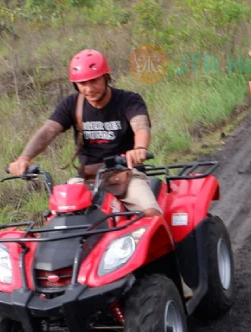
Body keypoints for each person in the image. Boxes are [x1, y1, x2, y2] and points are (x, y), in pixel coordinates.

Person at [8, 49, 162, 218]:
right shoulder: (71, 104)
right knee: (58, 217)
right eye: (82, 83)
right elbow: (48, 131)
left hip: (127, 174)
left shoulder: (128, 100)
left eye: (94, 81)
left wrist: (139, 148)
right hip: (87, 179)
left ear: (106, 77)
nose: (89, 89)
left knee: (150, 213)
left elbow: (141, 125)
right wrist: (24, 158)